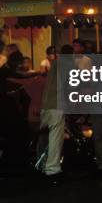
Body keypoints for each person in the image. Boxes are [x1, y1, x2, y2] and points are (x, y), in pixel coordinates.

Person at [40, 44, 74, 185]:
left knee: (45, 137)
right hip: (56, 106)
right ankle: (52, 170)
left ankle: (42, 164)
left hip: (46, 104)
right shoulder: (68, 65)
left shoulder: (55, 64)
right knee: (55, 139)